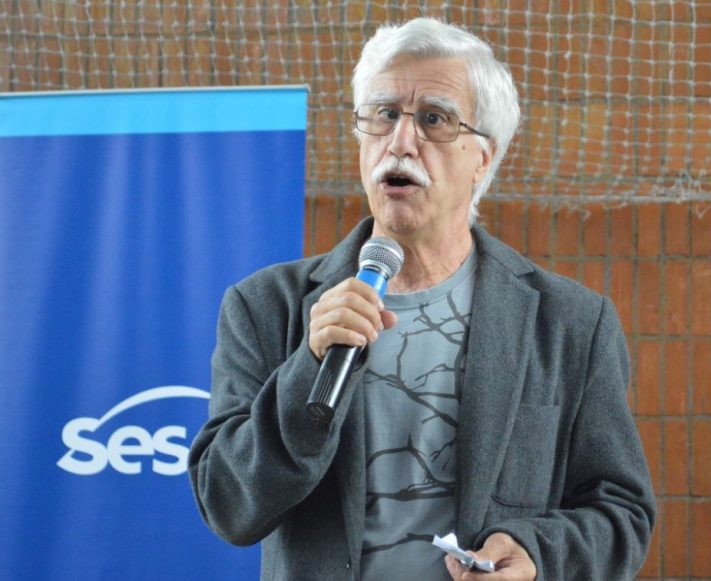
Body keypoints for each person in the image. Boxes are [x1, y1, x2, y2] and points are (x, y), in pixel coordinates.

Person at [188, 17, 656, 581]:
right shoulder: (266, 307)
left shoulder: (570, 323)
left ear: (484, 156)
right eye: (384, 114)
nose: (400, 142)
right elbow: (228, 506)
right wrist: (308, 368)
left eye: (434, 119)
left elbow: (621, 513)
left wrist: (537, 553)